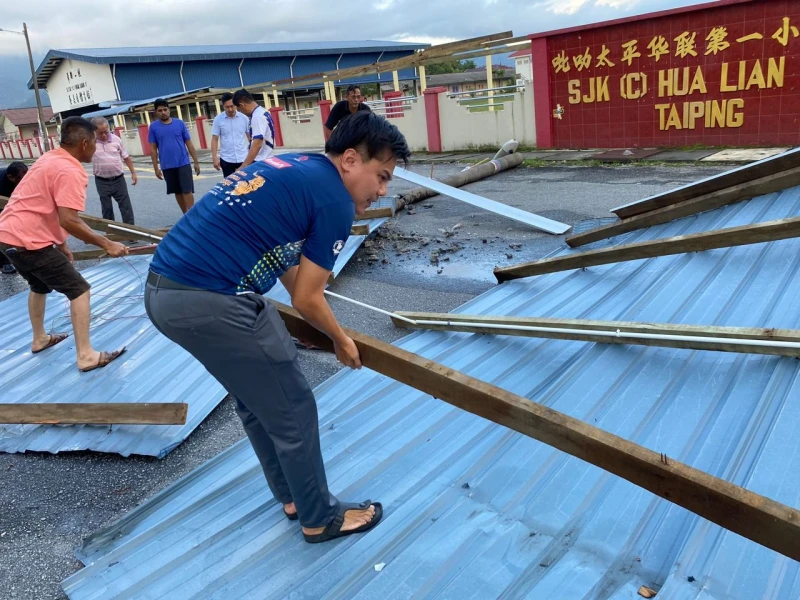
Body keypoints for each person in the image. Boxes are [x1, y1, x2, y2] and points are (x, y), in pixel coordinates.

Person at [145, 111, 410, 543]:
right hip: (210, 298)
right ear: (349, 160)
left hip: (164, 292)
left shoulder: (296, 166)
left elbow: (288, 267)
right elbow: (307, 297)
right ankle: (320, 517)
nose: (380, 190)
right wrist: (340, 340)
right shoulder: (335, 202)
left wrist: (327, 328)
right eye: (380, 176)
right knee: (293, 406)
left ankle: (293, 496)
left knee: (259, 399)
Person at [0, 117, 129, 371]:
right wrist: (106, 244)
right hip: (28, 241)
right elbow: (69, 219)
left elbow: (43, 206)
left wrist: (61, 245)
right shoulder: (71, 169)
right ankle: (86, 356)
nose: (95, 147)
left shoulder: (49, 158)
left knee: (39, 284)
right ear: (84, 143)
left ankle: (39, 338)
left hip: (6, 236)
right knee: (79, 290)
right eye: (94, 142)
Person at [148, 99, 201, 214]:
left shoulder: (179, 123)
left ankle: (193, 215)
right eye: (160, 110)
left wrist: (196, 162)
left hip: (183, 163)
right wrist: (156, 168)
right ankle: (185, 215)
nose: (163, 112)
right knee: (177, 191)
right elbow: (153, 148)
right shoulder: (153, 127)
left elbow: (189, 143)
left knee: (187, 190)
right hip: (167, 165)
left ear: (169, 109)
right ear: (156, 112)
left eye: (165, 109)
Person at [90, 117, 138, 224]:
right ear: (94, 132)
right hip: (101, 181)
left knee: (125, 206)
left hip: (118, 179)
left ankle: (130, 233)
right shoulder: (90, 143)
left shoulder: (116, 140)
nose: (104, 135)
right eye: (100, 133)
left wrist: (133, 173)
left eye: (106, 132)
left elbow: (126, 157)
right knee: (107, 209)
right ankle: (111, 234)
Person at [232, 88, 275, 168]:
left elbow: (257, 143)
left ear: (242, 105)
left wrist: (244, 166)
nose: (242, 112)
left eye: (240, 109)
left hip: (260, 161)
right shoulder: (262, 111)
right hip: (266, 158)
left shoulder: (257, 117)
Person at [211, 92, 249, 177]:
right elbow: (215, 139)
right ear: (223, 106)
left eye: (232, 106)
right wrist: (214, 158)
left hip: (243, 158)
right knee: (230, 185)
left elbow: (250, 137)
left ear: (236, 105)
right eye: (227, 107)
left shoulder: (244, 119)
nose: (230, 109)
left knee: (245, 184)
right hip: (227, 159)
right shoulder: (218, 120)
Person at [0, 161, 29, 274]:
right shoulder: (2, 184)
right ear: (10, 177)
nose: (25, 182)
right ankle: (4, 263)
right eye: (21, 179)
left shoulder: (23, 180)